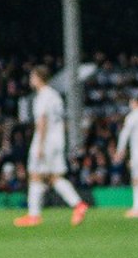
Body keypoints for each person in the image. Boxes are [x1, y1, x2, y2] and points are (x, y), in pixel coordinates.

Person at [15, 67, 86, 227]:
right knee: (53, 177)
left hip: (45, 141)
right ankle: (78, 205)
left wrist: (40, 145)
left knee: (35, 175)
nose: (30, 80)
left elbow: (42, 121)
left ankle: (34, 216)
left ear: (39, 78)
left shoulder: (42, 97)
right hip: (57, 141)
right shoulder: (56, 96)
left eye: (32, 77)